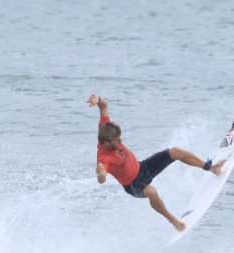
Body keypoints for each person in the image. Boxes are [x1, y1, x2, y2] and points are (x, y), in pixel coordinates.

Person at [86, 93, 225, 231]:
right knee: (151, 191)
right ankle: (174, 221)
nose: (120, 142)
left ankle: (212, 168)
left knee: (175, 151)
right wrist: (101, 175)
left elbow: (103, 106)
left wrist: (98, 99)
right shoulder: (104, 158)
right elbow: (102, 178)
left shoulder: (105, 129)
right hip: (134, 185)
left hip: (143, 167)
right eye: (117, 141)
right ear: (106, 143)